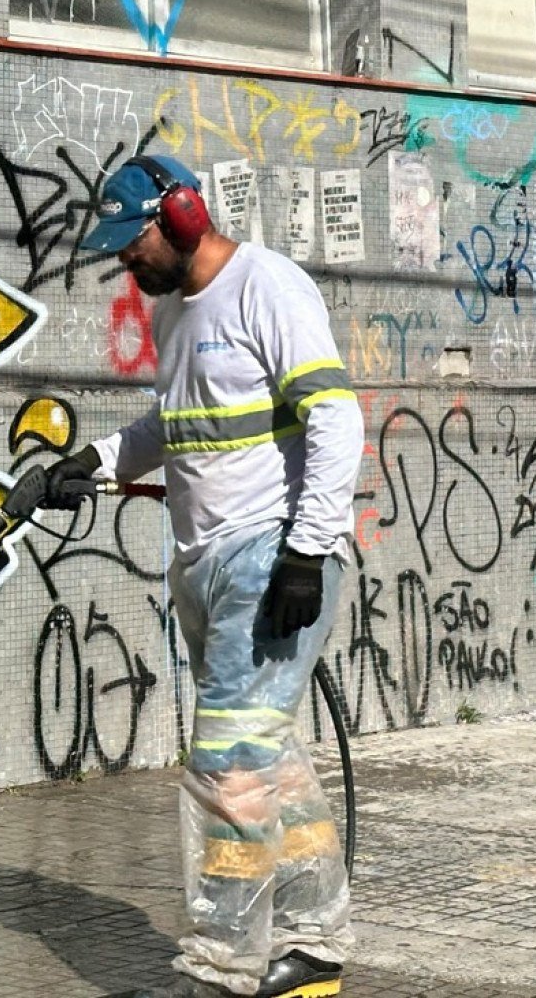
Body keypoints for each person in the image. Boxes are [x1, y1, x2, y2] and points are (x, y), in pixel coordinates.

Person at [46, 154, 362, 998]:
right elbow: (174, 423)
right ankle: (313, 947)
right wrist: (95, 461)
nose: (126, 261)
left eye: (133, 242)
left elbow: (336, 417)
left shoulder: (271, 287)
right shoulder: (181, 315)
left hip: (273, 560)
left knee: (227, 767)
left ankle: (222, 970)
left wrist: (308, 548)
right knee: (272, 767)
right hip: (209, 564)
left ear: (183, 214)